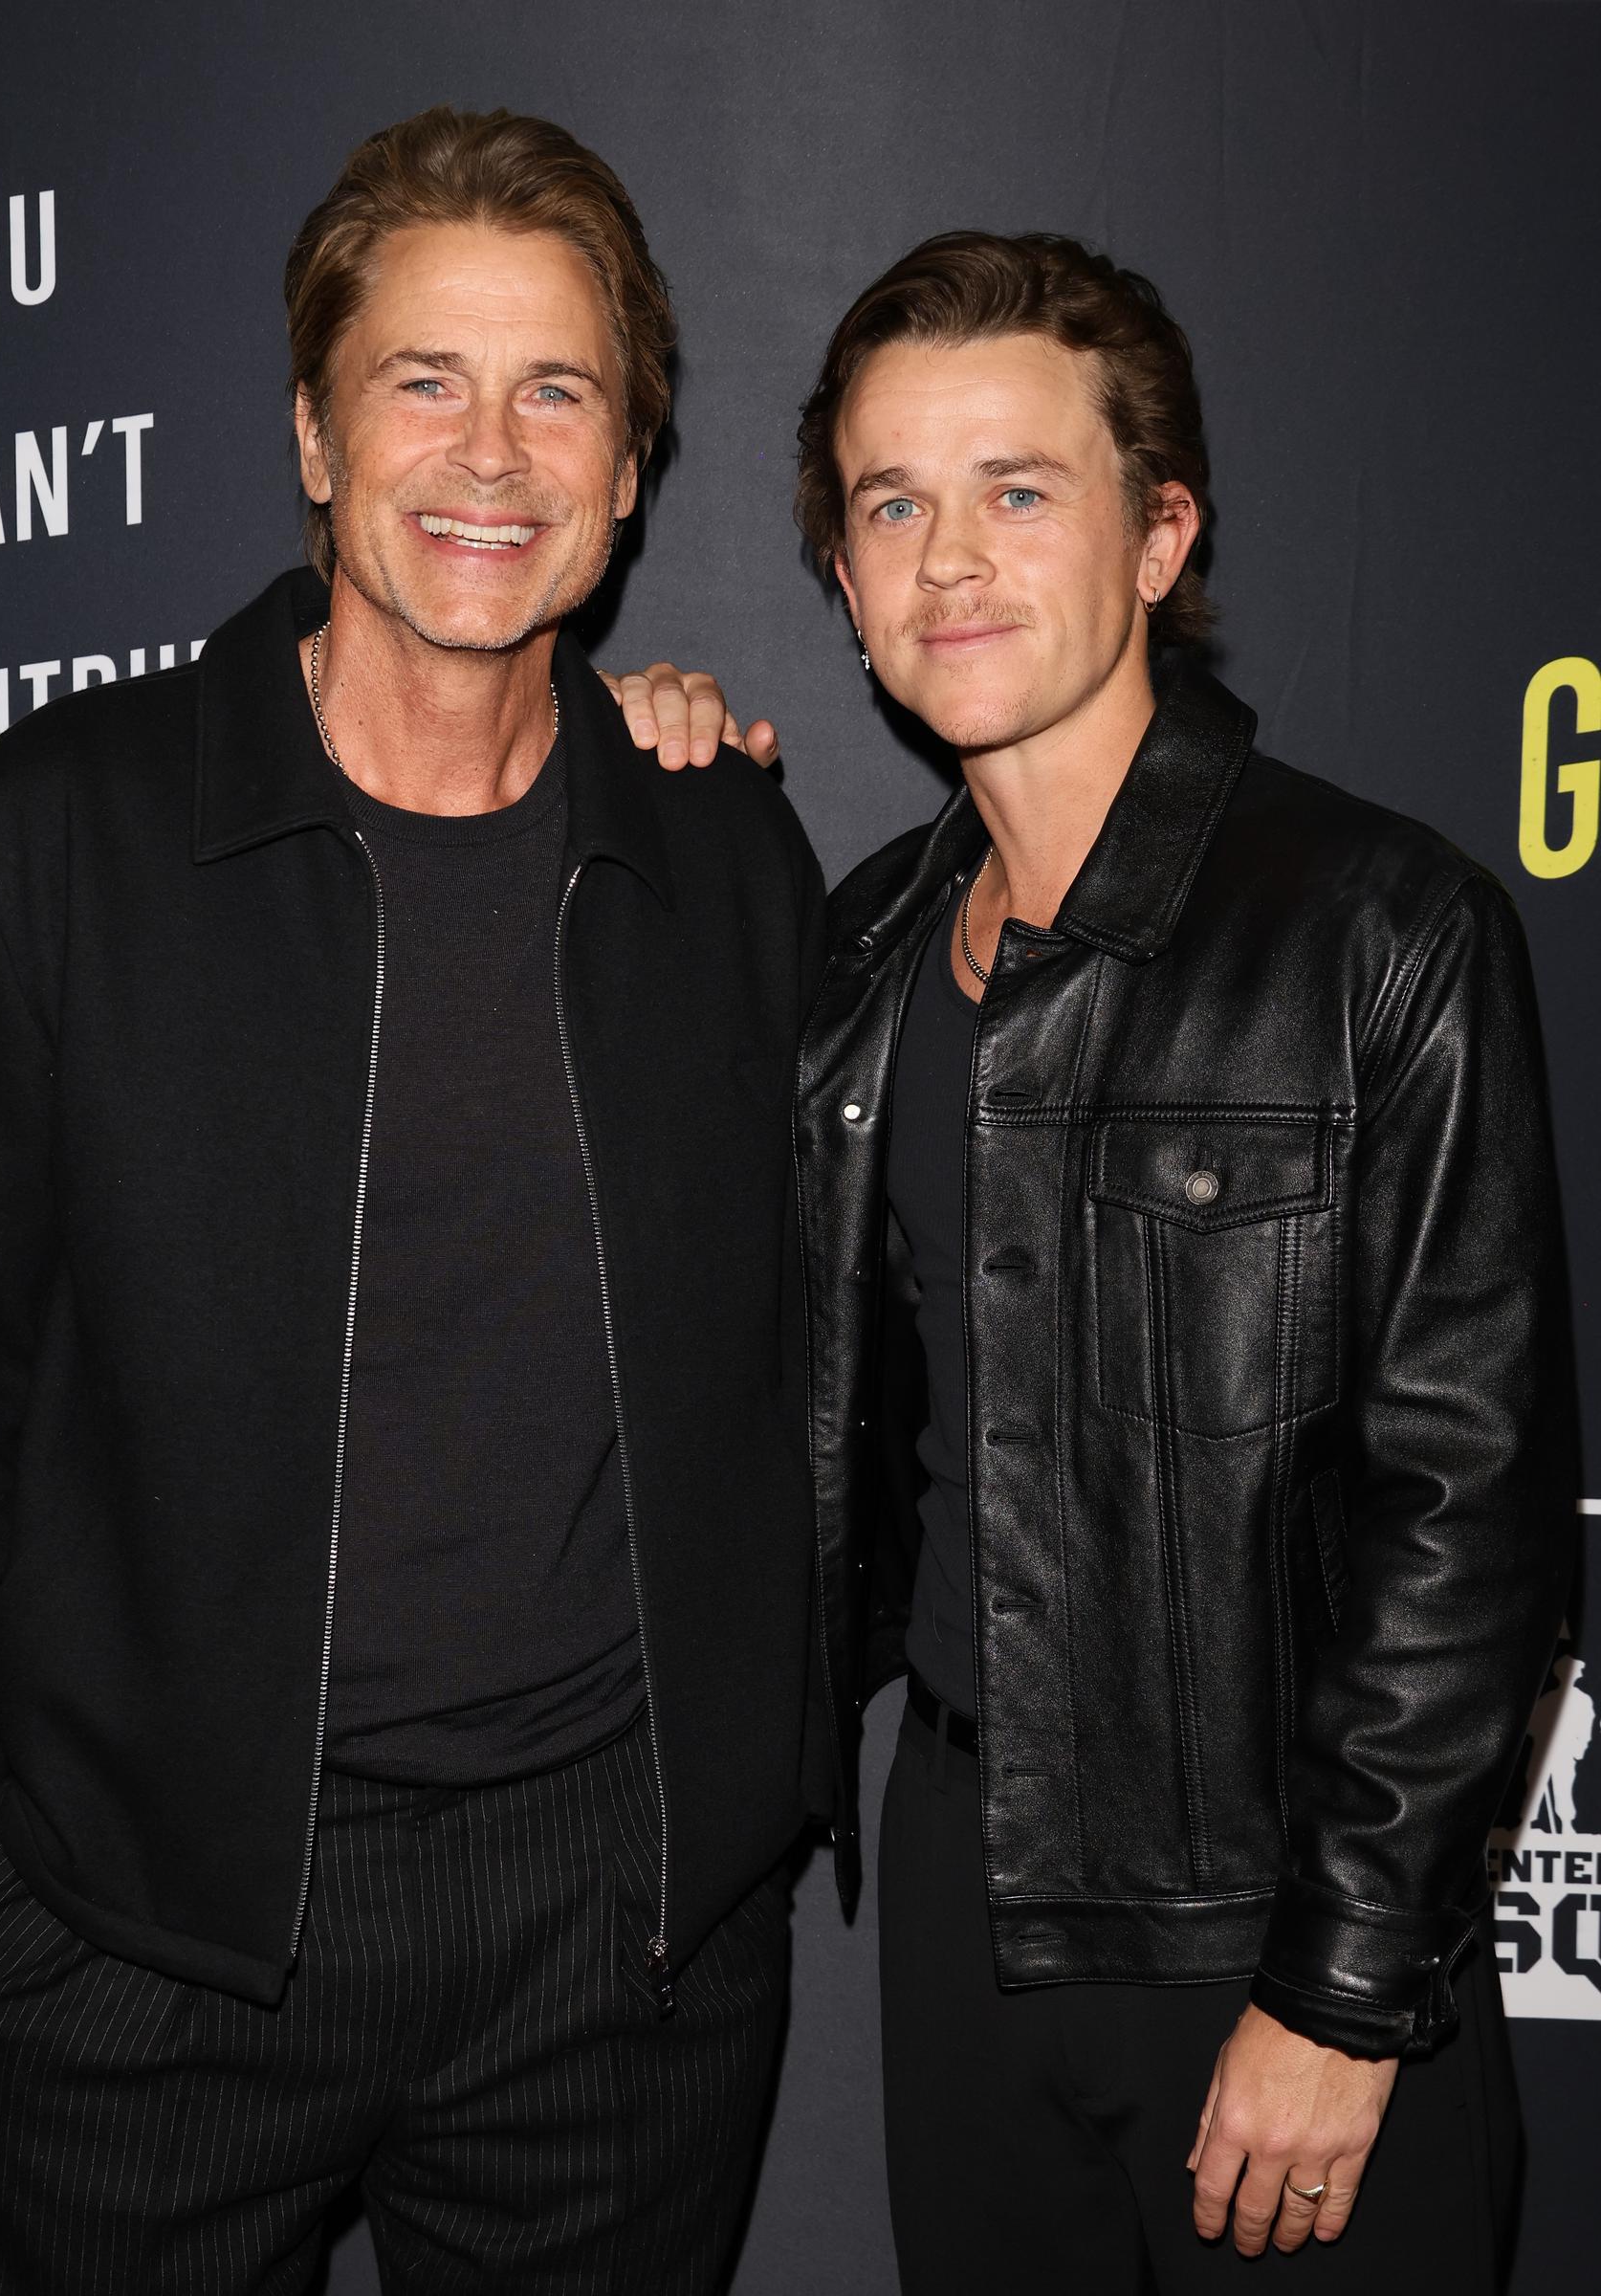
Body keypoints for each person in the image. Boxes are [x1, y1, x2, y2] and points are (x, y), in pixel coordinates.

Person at [0, 106, 828, 2293]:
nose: (491, 454)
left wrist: (738, 1816)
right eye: (421, 381)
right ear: (309, 432)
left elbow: (825, 1368)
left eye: (557, 390)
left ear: (630, 468)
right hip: (137, 1946)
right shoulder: (54, 839)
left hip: (616, 1956)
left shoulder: (721, 855)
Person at [787, 232, 1575, 2290]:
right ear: (845, 583)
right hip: (959, 1896)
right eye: (892, 506)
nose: (951, 560)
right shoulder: (859, 949)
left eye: (1017, 490)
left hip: (1271, 1917)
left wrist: (1342, 1988)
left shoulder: (1380, 928)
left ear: (1158, 535)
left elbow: (1468, 1511)